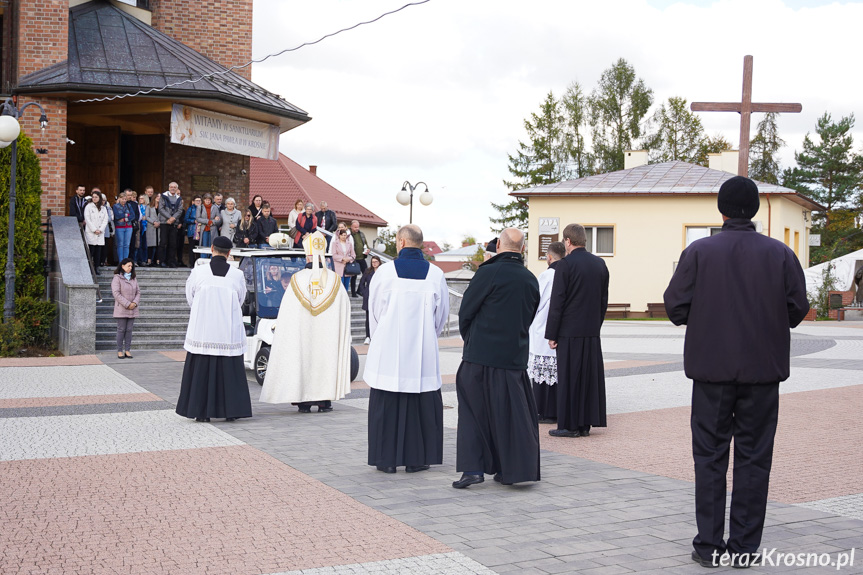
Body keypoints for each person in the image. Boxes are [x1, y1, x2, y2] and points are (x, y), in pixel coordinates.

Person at [663, 176, 809, 569]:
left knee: (709, 457)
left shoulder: (699, 252)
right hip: (763, 372)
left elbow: (675, 307)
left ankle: (709, 545)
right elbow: (797, 309)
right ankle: (743, 546)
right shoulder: (780, 254)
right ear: (756, 210)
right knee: (754, 457)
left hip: (711, 372)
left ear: (721, 210)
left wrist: (708, 315)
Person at [453, 228, 540, 488]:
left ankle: (473, 470)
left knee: (472, 413)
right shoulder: (530, 279)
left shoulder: (488, 273)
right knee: (511, 415)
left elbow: (466, 311)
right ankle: (510, 470)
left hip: (480, 354)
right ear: (522, 249)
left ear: (499, 246)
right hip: (513, 357)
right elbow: (529, 316)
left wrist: (472, 340)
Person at [363, 225, 448, 473]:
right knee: (420, 404)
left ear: (400, 242)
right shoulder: (435, 274)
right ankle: (416, 459)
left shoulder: (385, 273)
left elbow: (375, 312)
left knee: (387, 403)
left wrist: (385, 335)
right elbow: (440, 318)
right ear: (420, 244)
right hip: (422, 351)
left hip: (389, 349)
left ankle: (386, 460)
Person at [260, 231, 352, 413]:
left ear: (307, 255)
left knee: (304, 357)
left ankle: (304, 402)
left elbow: (288, 313)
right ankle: (325, 401)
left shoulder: (297, 279)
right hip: (327, 335)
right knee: (325, 359)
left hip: (303, 334)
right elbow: (345, 309)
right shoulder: (335, 280)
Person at [176, 236, 252, 423]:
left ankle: (201, 412)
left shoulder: (198, 272)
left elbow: (190, 298)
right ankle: (231, 411)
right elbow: (241, 300)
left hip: (203, 330)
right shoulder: (237, 275)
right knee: (229, 372)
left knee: (202, 370)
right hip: (228, 332)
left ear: (211, 249)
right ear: (229, 254)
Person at [545, 223, 609, 439]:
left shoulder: (564, 265)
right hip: (591, 332)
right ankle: (584, 424)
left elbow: (558, 302)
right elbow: (603, 301)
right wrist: (595, 326)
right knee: (588, 378)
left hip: (569, 332)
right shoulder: (600, 264)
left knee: (569, 378)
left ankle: (569, 426)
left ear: (568, 241)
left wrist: (552, 334)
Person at [528, 241, 566, 423]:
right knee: (555, 370)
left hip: (543, 327)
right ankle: (557, 408)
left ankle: (543, 410)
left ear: (549, 257)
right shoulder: (567, 273)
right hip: (561, 328)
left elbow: (536, 300)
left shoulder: (547, 275)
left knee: (542, 370)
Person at [111, 258, 140, 359]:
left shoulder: (133, 278)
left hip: (133, 308)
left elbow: (138, 292)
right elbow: (116, 293)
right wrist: (128, 304)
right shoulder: (117, 278)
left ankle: (127, 350)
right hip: (122, 308)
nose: (130, 268)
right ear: (122, 266)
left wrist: (134, 303)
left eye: (131, 266)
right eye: (128, 266)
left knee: (129, 330)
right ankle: (120, 350)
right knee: (121, 329)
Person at [357, 255, 382, 345]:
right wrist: (365, 292)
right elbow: (362, 283)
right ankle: (368, 336)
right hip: (369, 296)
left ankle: (377, 336)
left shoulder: (382, 271)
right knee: (368, 318)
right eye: (373, 262)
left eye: (376, 262)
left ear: (379, 262)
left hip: (379, 296)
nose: (374, 264)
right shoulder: (368, 271)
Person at [158, 182, 184, 267]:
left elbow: (180, 210)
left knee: (173, 243)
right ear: (169, 188)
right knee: (163, 242)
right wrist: (169, 217)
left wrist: (173, 219)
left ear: (177, 189)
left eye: (174, 187)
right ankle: (162, 261)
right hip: (164, 223)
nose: (173, 188)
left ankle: (171, 262)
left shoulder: (179, 198)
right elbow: (161, 209)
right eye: (171, 187)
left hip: (173, 224)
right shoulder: (163, 196)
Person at [84, 190, 109, 274]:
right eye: (93, 197)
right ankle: (90, 268)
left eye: (96, 197)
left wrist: (100, 229)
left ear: (99, 198)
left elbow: (105, 220)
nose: (94, 199)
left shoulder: (103, 208)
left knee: (98, 252)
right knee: (91, 251)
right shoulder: (88, 207)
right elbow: (87, 219)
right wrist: (94, 230)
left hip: (100, 233)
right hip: (91, 232)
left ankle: (96, 267)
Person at [196, 193, 220, 258]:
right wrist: (208, 221)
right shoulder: (200, 207)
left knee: (212, 246)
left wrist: (212, 222)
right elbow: (198, 218)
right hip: (204, 229)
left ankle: (212, 260)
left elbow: (219, 219)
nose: (207, 201)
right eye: (206, 200)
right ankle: (203, 259)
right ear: (204, 200)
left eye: (209, 200)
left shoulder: (214, 207)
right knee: (204, 246)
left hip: (213, 229)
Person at [349, 220, 370, 297]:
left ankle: (359, 290)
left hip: (362, 257)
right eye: (355, 227)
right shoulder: (349, 234)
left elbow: (366, 244)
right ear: (351, 227)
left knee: (366, 274)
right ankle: (353, 293)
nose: (357, 228)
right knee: (354, 276)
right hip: (353, 258)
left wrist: (367, 249)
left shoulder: (361, 234)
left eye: (358, 227)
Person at [112, 192, 135, 262]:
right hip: (119, 227)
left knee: (127, 245)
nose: (124, 200)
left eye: (125, 199)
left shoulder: (129, 205)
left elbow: (133, 215)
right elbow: (117, 216)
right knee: (120, 244)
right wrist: (127, 214)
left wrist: (125, 218)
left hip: (128, 227)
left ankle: (125, 260)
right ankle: (121, 261)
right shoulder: (115, 206)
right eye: (122, 199)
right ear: (119, 199)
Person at [185, 196, 203, 267]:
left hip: (200, 231)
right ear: (193, 201)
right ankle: (191, 263)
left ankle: (198, 263)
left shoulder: (203, 209)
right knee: (192, 248)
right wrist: (193, 221)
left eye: (199, 200)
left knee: (199, 248)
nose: (198, 202)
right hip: (192, 230)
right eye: (197, 200)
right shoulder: (190, 209)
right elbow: (186, 219)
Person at [145, 193, 160, 266]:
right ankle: (149, 260)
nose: (158, 198)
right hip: (151, 226)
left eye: (160, 197)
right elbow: (147, 216)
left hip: (159, 227)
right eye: (157, 196)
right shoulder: (149, 206)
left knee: (158, 244)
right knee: (150, 244)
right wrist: (154, 222)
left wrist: (159, 223)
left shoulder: (162, 207)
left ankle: (157, 260)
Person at [134, 194, 149, 267]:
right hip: (140, 226)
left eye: (142, 198)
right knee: (139, 244)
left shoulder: (148, 207)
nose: (140, 200)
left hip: (147, 227)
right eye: (139, 198)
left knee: (145, 245)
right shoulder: (138, 206)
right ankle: (139, 259)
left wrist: (146, 218)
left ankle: (144, 260)